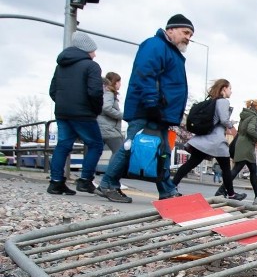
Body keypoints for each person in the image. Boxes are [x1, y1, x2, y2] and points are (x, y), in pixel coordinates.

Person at [96, 14, 194, 203]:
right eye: (186, 32)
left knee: (163, 150)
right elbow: (145, 74)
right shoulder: (155, 46)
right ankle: (108, 183)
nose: (188, 37)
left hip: (160, 112)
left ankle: (167, 191)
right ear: (171, 30)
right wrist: (152, 105)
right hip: (149, 110)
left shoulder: (168, 50)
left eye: (190, 34)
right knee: (131, 146)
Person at [47, 31, 104, 195]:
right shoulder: (92, 66)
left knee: (63, 145)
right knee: (95, 144)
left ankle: (56, 182)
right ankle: (85, 180)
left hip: (62, 113)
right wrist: (95, 110)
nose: (95, 53)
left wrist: (63, 104)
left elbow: (52, 91)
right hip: (84, 113)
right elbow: (95, 92)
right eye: (93, 50)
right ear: (86, 49)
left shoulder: (61, 66)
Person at [173, 79, 246, 201]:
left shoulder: (213, 101)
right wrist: (231, 126)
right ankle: (232, 194)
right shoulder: (223, 101)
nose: (231, 92)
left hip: (204, 140)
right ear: (224, 89)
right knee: (226, 169)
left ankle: (171, 186)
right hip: (216, 141)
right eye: (230, 89)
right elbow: (223, 120)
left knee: (191, 163)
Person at [221, 99, 257, 198]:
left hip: (242, 144)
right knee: (237, 169)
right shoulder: (253, 116)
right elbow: (250, 130)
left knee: (253, 170)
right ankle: (221, 190)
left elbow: (242, 130)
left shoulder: (246, 115)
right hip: (246, 146)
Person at [97, 72, 124, 155]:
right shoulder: (109, 93)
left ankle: (88, 168)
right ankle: (113, 168)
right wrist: (122, 115)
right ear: (114, 82)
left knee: (95, 152)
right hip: (110, 130)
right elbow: (106, 107)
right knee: (119, 153)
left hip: (101, 128)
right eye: (119, 82)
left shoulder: (103, 92)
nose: (120, 84)